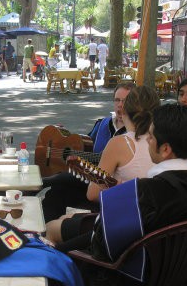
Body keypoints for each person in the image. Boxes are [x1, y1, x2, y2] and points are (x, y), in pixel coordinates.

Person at [48, 104, 187, 286]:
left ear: (165, 149)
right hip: (175, 279)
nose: (147, 140)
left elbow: (102, 248)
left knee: (52, 249)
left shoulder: (144, 193)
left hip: (128, 284)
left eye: (150, 136)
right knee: (69, 223)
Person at [46, 85, 160, 243]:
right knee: (64, 202)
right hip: (155, 229)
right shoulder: (162, 143)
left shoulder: (121, 142)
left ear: (124, 110)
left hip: (122, 229)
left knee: (51, 227)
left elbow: (92, 194)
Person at [41, 83, 133, 222]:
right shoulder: (103, 123)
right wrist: (62, 141)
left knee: (64, 179)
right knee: (56, 192)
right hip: (88, 180)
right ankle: (44, 234)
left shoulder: (134, 132)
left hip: (109, 188)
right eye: (117, 100)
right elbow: (83, 145)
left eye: (125, 101)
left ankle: (40, 183)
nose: (120, 105)